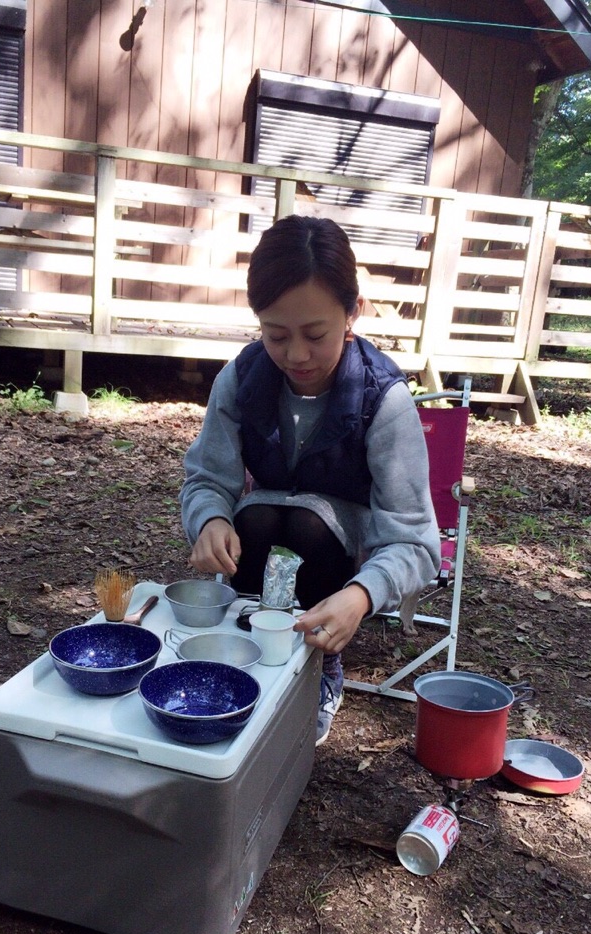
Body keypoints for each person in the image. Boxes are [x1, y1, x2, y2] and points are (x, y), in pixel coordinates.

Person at [180, 215, 440, 745]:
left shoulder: (381, 399)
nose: (296, 355)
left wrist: (363, 595)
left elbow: (416, 542)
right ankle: (252, 652)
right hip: (262, 534)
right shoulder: (242, 378)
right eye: (275, 335)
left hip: (342, 553)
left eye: (315, 334)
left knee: (305, 524)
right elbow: (208, 477)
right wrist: (208, 518)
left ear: (352, 313)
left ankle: (322, 671)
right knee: (258, 515)